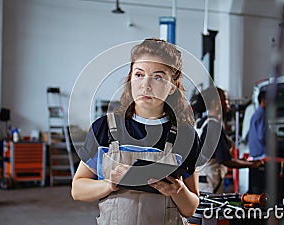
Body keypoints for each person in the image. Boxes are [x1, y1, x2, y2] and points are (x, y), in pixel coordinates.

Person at [71, 38, 201, 225]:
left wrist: (177, 191)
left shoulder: (186, 136)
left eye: (158, 77)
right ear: (130, 78)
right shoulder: (105, 128)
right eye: (139, 75)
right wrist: (110, 184)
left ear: (173, 86)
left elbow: (191, 208)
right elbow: (78, 189)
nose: (145, 85)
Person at [197, 87, 263, 194]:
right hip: (210, 182)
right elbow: (225, 160)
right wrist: (252, 165)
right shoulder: (214, 126)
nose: (228, 103)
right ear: (215, 102)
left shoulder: (201, 122)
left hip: (200, 179)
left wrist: (242, 160)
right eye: (225, 99)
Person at [247, 91, 267, 194]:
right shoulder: (262, 115)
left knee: (255, 188)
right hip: (261, 156)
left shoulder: (256, 114)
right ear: (264, 101)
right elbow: (261, 136)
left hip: (255, 155)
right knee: (262, 190)